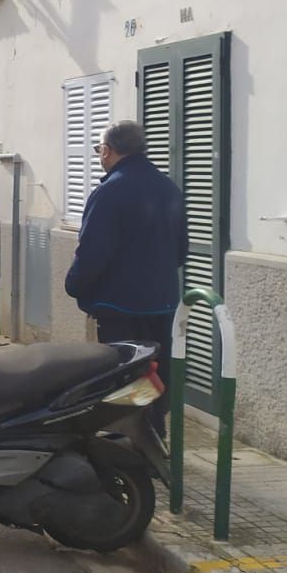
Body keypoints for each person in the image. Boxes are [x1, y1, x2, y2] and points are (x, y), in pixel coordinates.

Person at [64, 120, 187, 430]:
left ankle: (128, 440)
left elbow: (93, 252)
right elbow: (181, 250)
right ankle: (153, 434)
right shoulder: (169, 188)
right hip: (163, 303)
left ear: (107, 150)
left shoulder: (109, 192)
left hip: (119, 306)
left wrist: (75, 285)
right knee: (155, 373)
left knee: (123, 376)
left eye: (98, 150)